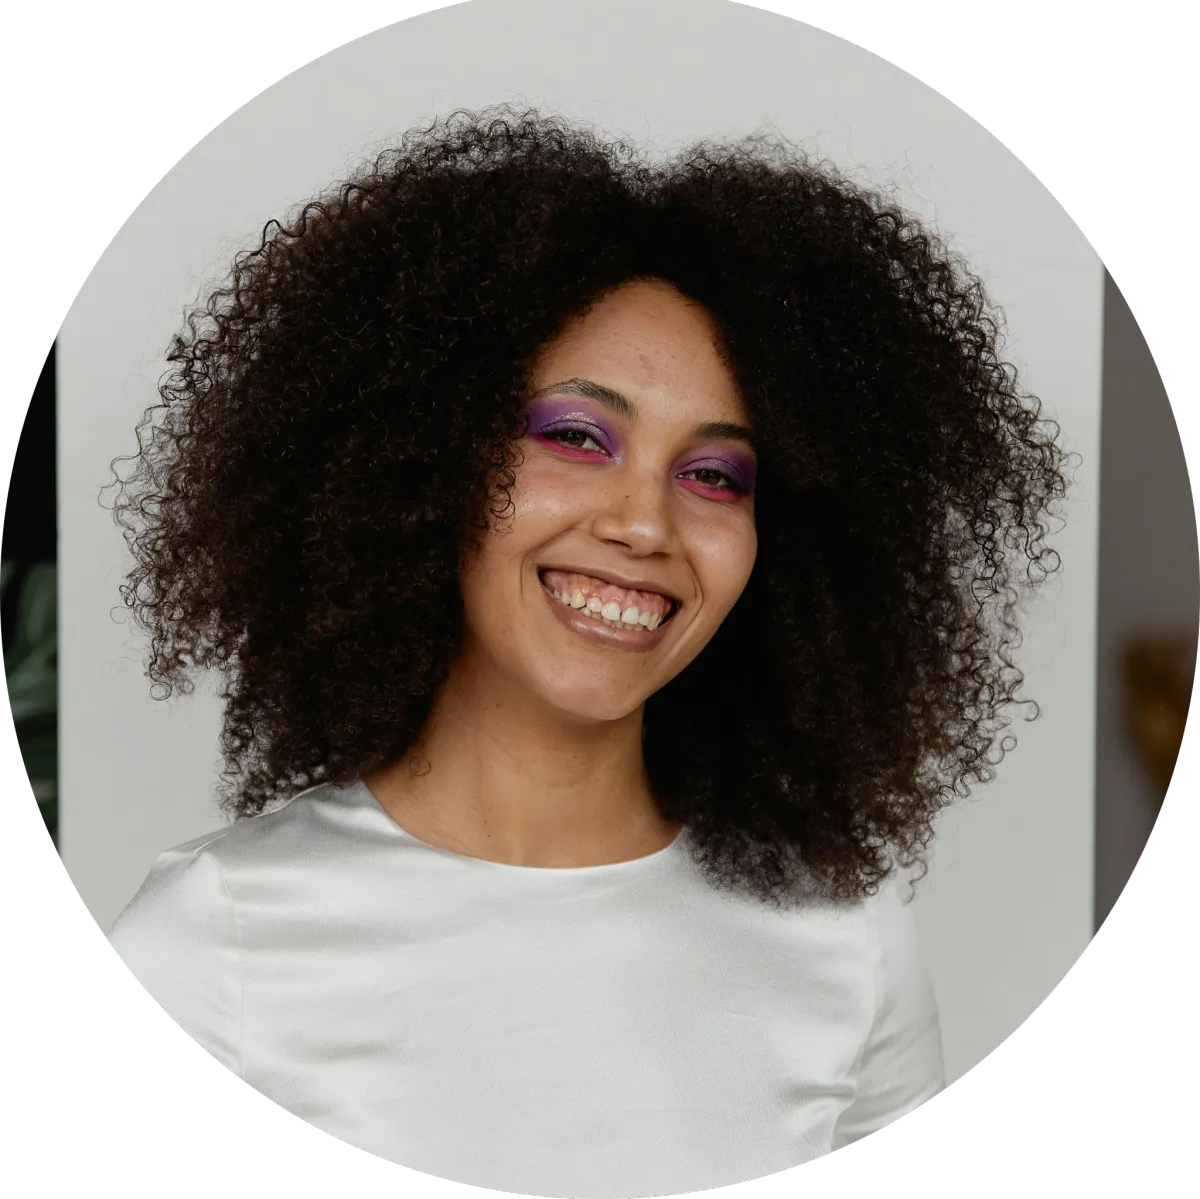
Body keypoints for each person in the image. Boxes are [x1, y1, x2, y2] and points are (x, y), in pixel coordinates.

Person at [104, 106, 1073, 1196]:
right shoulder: (219, 938)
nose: (645, 524)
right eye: (576, 436)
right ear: (419, 463)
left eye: (715, 475)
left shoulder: (845, 937)